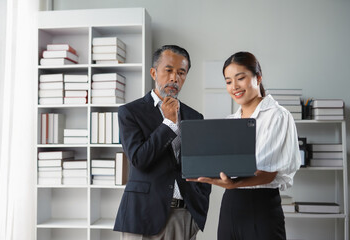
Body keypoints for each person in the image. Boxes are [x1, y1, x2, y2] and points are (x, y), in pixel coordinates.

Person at [188, 51, 301, 240]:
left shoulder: (278, 116)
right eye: (228, 81)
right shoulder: (230, 121)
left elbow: (270, 172)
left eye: (240, 78)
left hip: (261, 206)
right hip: (231, 205)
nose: (234, 87)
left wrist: (235, 183)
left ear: (258, 77)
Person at [113, 45, 211, 240]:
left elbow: (202, 166)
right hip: (143, 215)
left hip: (184, 216)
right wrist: (167, 123)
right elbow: (139, 159)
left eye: (181, 73)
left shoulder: (194, 116)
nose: (174, 78)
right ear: (153, 73)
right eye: (169, 70)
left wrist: (198, 206)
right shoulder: (130, 112)